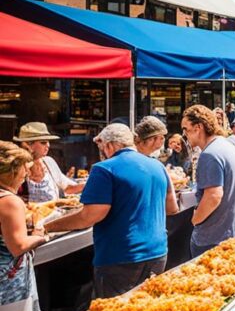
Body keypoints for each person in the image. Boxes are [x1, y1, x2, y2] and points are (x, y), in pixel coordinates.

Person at [46, 124, 177, 298]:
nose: (102, 152)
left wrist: (49, 226)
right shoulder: (157, 166)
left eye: (101, 147)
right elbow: (172, 208)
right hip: (158, 252)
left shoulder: (104, 168)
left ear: (109, 145)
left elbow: (89, 217)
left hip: (121, 257)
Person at [0, 142, 48, 311]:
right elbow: (18, 245)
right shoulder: (10, 201)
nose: (26, 175)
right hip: (9, 285)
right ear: (11, 170)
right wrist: (39, 235)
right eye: (23, 169)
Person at [182, 105, 235, 257]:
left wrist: (195, 220)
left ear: (198, 127)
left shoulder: (210, 154)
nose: (184, 134)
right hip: (233, 235)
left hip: (214, 240)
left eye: (186, 129)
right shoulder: (227, 146)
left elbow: (213, 196)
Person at [14, 122, 84, 203]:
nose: (48, 145)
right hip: (29, 214)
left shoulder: (49, 162)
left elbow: (68, 188)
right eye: (43, 142)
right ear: (27, 144)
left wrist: (90, 184)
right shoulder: (18, 167)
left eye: (48, 141)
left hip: (56, 214)